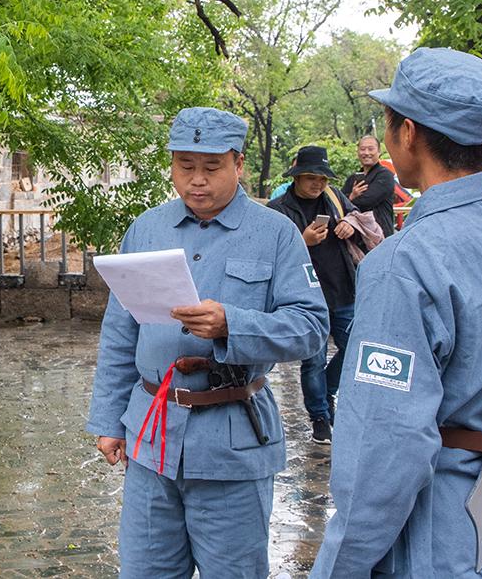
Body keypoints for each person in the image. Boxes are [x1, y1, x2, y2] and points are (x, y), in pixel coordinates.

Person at [311, 47, 482, 577]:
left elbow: (384, 451)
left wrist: (338, 567)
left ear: (407, 134)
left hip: (442, 538)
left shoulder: (404, 263)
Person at [87, 107, 328, 578]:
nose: (196, 181)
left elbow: (311, 327)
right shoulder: (146, 230)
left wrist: (231, 325)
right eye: (185, 166)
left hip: (232, 445)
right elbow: (120, 332)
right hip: (151, 437)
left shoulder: (276, 234)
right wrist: (107, 419)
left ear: (238, 164)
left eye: (211, 167)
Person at [268, 146, 362, 445]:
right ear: (296, 177)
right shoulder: (278, 208)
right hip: (306, 295)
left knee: (354, 349)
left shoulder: (334, 197)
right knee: (313, 360)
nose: (318, 184)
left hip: (344, 288)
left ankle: (328, 390)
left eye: (322, 178)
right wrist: (302, 241)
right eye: (311, 178)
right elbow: (270, 252)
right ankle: (319, 415)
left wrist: (350, 222)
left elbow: (357, 216)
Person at [341, 135, 397, 237]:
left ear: (379, 152)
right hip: (356, 236)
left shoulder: (385, 175)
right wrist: (351, 196)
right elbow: (338, 201)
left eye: (371, 149)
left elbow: (367, 201)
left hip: (379, 234)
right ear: (358, 152)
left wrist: (349, 199)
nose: (366, 153)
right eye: (362, 149)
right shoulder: (352, 179)